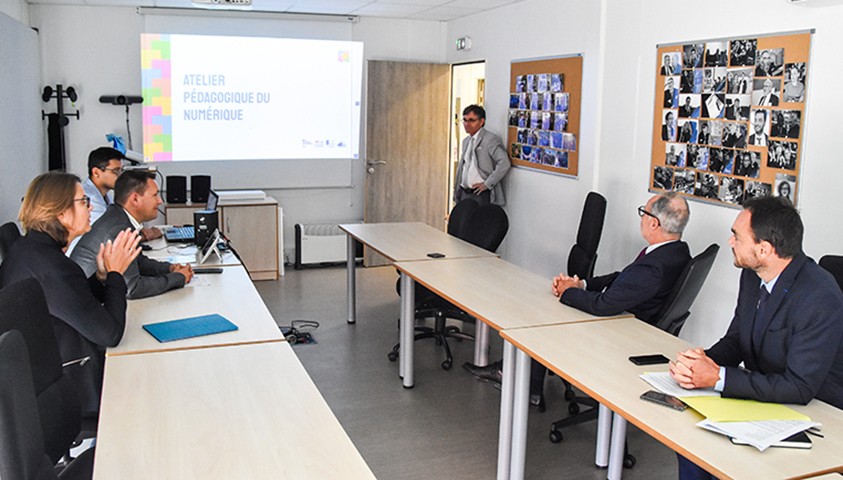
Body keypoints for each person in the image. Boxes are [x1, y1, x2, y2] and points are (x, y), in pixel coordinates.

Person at [669, 196, 843, 479]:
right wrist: (699, 363)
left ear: (764, 249)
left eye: (737, 236)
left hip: (817, 414)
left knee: (717, 459)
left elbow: (799, 387)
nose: (730, 242)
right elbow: (738, 338)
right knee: (690, 442)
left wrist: (717, 377)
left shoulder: (819, 296)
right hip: (768, 397)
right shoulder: (753, 274)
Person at [465, 193, 692, 404]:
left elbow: (602, 305)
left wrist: (567, 292)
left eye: (644, 212)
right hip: (627, 319)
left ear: (654, 223)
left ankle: (520, 380)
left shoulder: (655, 266)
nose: (641, 218)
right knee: (550, 311)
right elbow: (623, 277)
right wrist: (581, 284)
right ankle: (529, 384)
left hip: (622, 332)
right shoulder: (675, 252)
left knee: (542, 316)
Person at [0, 172, 140, 415]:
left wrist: (102, 276)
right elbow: (110, 333)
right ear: (61, 213)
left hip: (43, 376)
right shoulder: (51, 267)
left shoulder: (31, 250)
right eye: (84, 202)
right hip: (71, 385)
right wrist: (117, 274)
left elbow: (74, 300)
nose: (90, 208)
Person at [71, 170, 193, 299]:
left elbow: (137, 262)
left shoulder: (118, 217)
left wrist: (169, 268)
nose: (160, 201)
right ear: (135, 199)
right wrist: (178, 278)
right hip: (86, 302)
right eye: (155, 195)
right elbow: (132, 287)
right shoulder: (118, 228)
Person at [453, 105, 511, 206]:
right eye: (465, 120)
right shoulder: (466, 141)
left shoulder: (490, 139)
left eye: (471, 120)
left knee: (479, 220)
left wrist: (487, 184)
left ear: (481, 121)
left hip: (479, 193)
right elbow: (464, 167)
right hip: (464, 192)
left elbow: (504, 163)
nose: (467, 124)